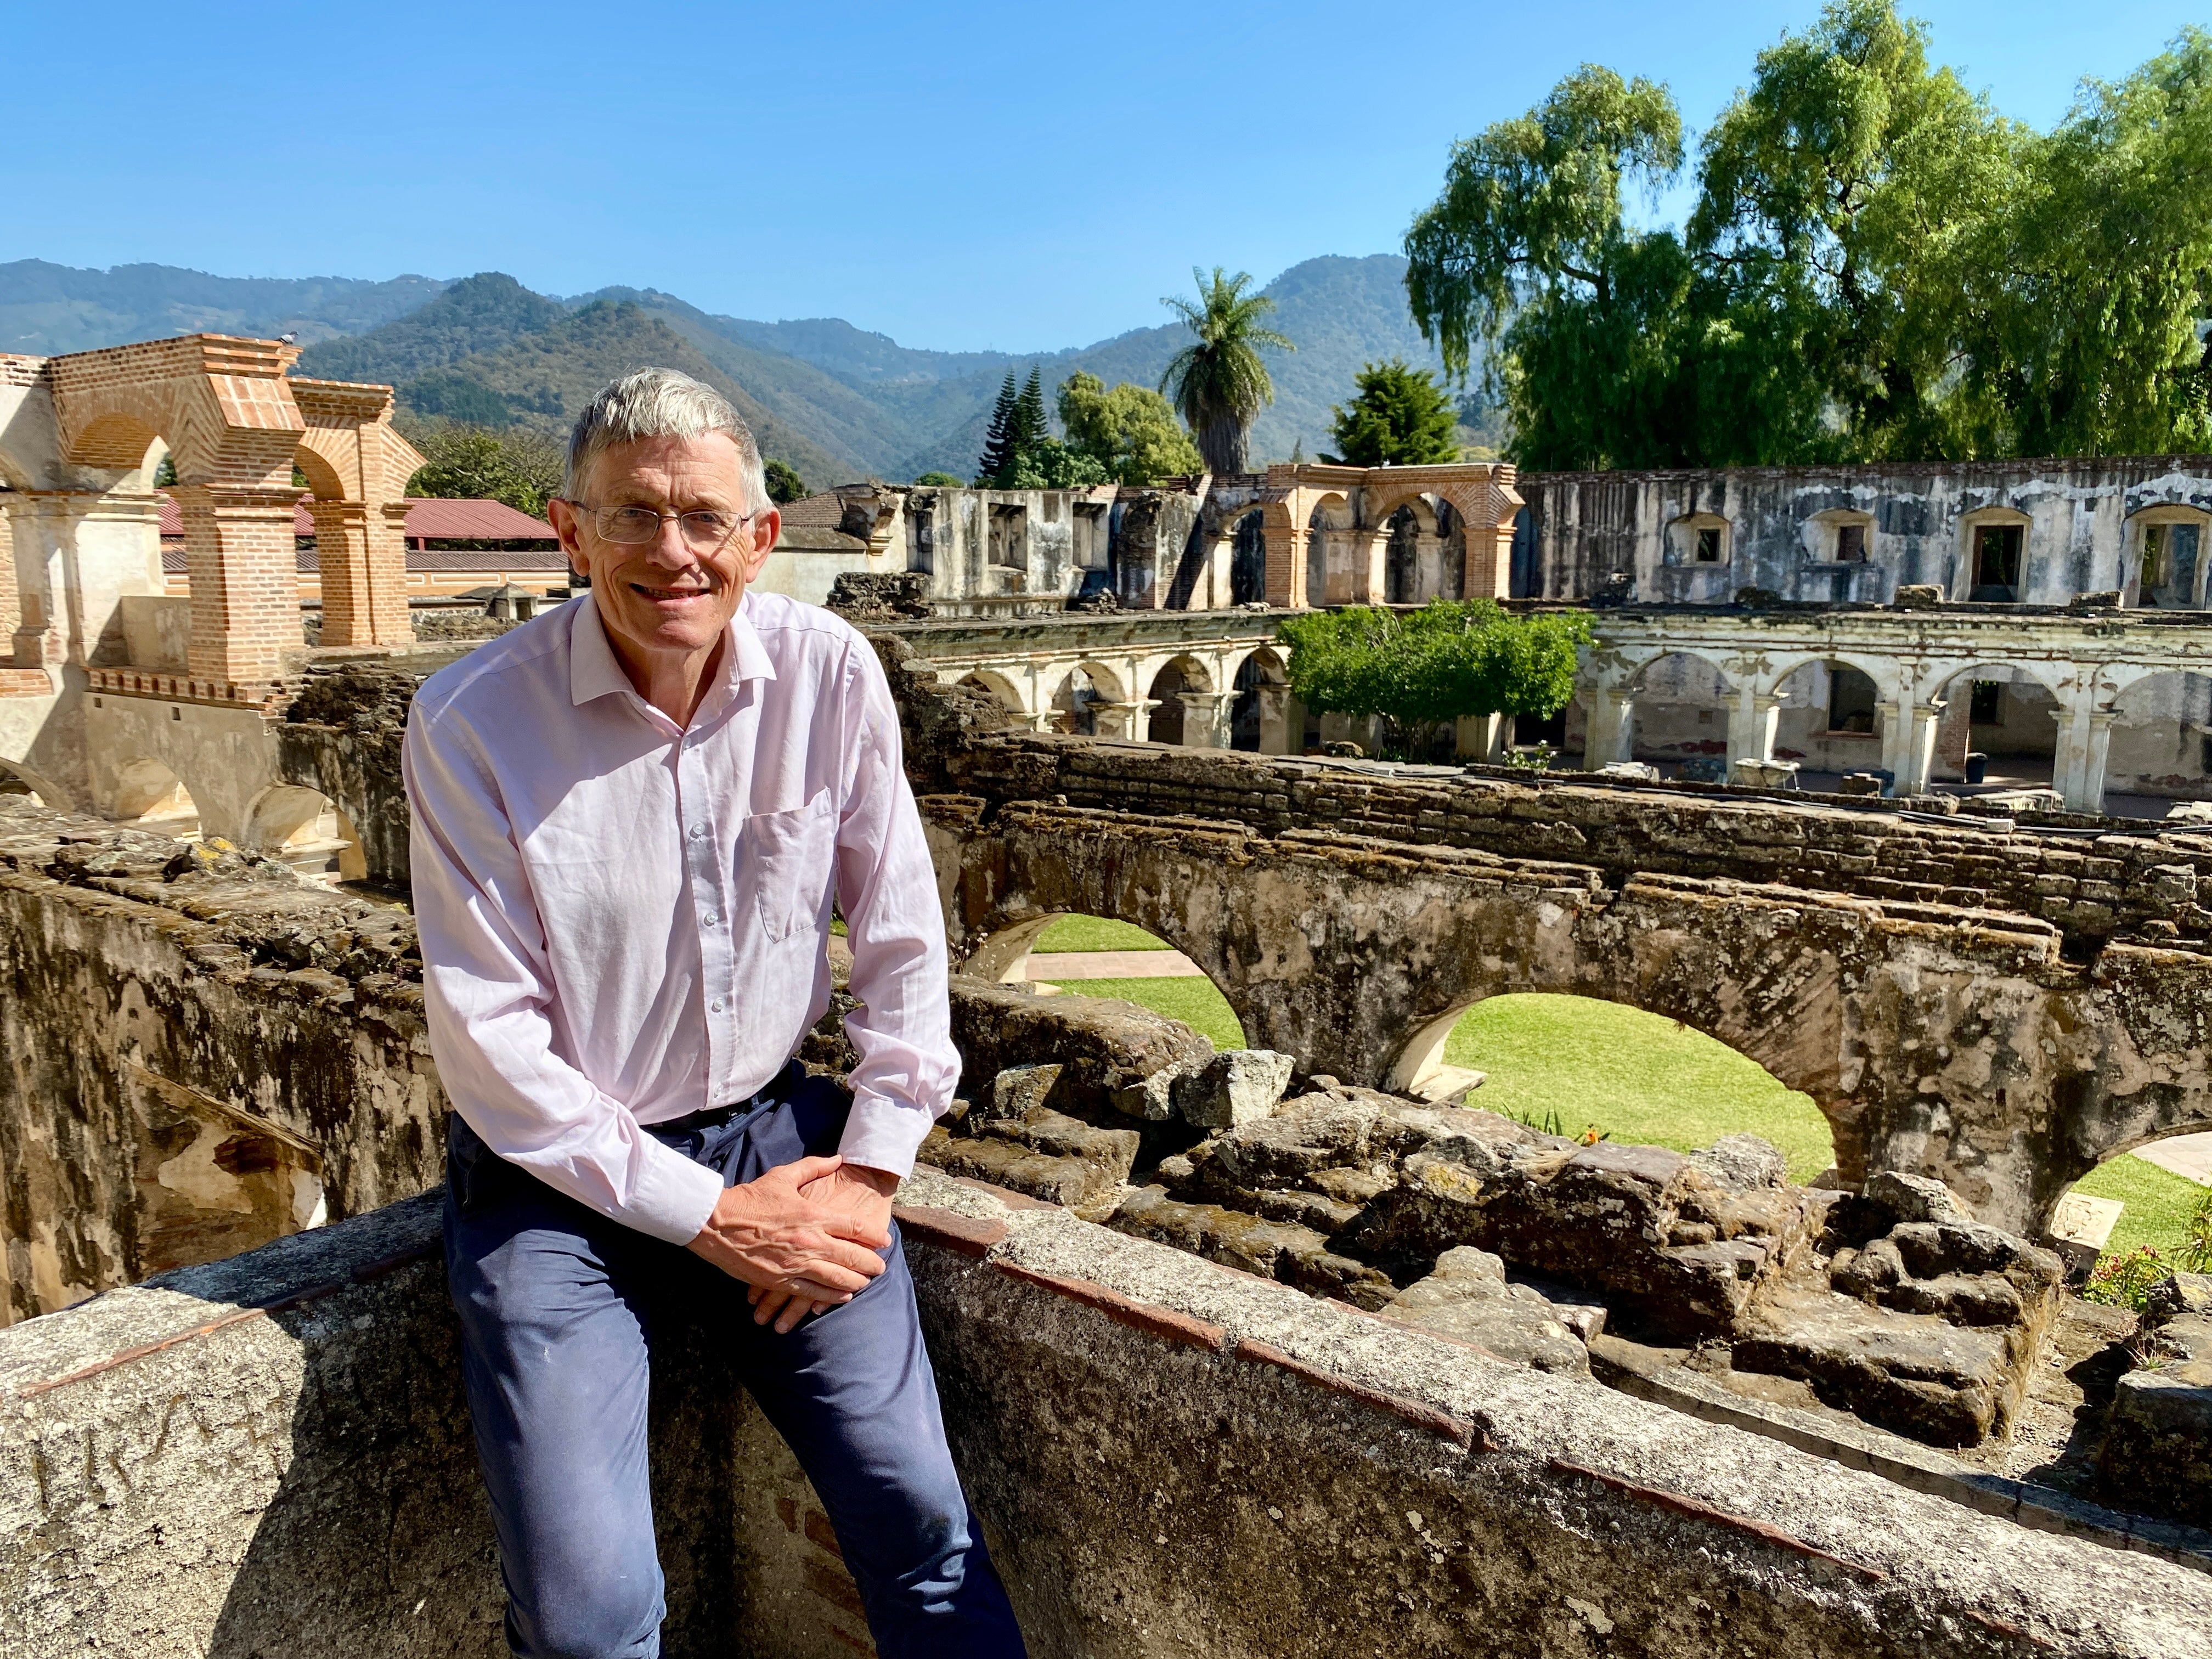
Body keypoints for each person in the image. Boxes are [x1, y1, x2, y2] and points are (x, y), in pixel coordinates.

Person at [403, 367, 1028, 1659]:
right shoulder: (472, 724)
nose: (673, 553)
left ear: (762, 538)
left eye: (705, 519)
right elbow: (494, 1047)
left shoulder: (829, 671)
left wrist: (869, 1168)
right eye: (632, 516)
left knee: (920, 1525)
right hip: (555, 1187)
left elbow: (903, 932)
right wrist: (714, 1222)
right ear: (570, 533)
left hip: (778, 1144)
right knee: (591, 1622)